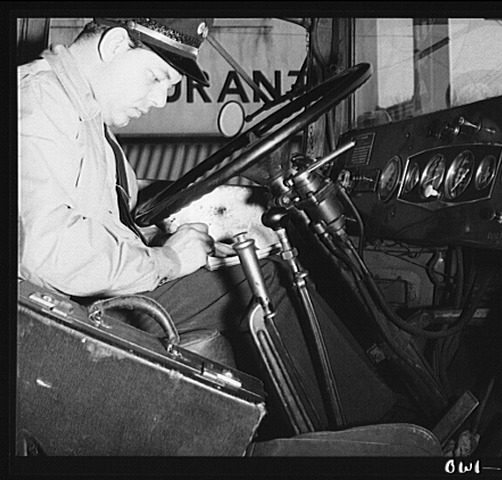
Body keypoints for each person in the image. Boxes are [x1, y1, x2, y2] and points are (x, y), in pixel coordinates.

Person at [18, 17, 407, 435]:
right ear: (114, 46)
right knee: (264, 284)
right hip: (59, 323)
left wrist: (178, 245)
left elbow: (108, 224)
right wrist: (166, 260)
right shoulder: (39, 101)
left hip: (77, 302)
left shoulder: (83, 114)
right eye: (155, 77)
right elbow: (47, 250)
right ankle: (377, 431)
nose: (160, 99)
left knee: (251, 265)